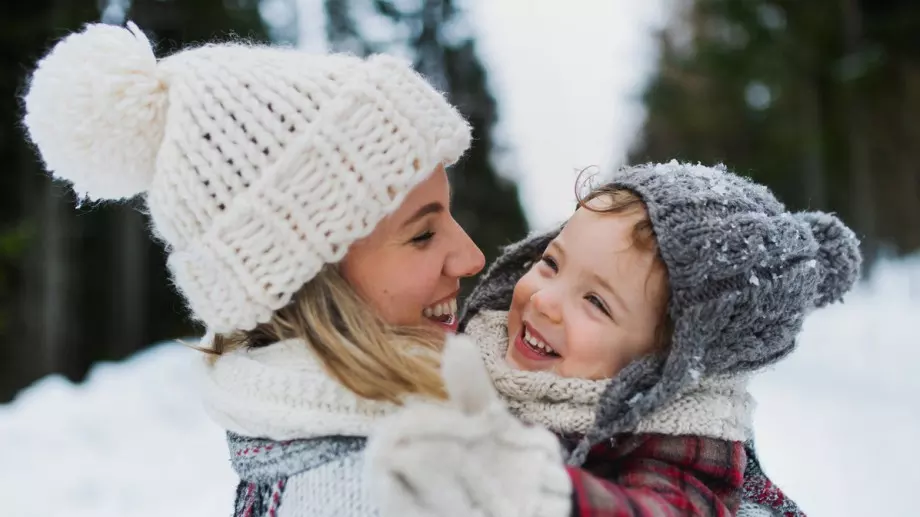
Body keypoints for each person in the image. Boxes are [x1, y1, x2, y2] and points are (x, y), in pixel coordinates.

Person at [23, 22, 485, 516]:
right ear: (309, 281)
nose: (472, 257)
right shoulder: (377, 491)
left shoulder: (321, 449)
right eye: (422, 234)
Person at [365, 161, 861, 517]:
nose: (545, 300)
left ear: (666, 362)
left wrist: (535, 489)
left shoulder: (678, 441)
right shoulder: (477, 348)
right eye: (551, 263)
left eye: (596, 302)